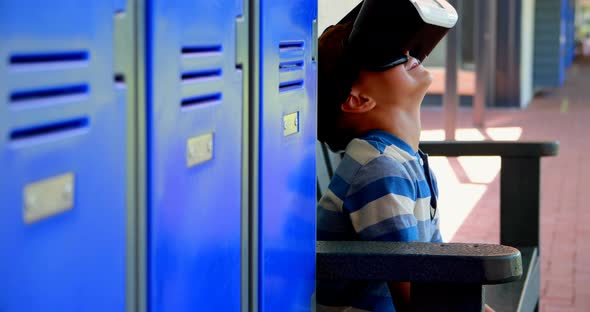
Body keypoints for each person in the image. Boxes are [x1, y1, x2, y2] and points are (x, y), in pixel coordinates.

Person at [315, 21, 494, 312]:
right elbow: (413, 295)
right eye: (388, 56)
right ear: (358, 100)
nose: (408, 52)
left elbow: (433, 259)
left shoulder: (405, 159)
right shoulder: (378, 169)